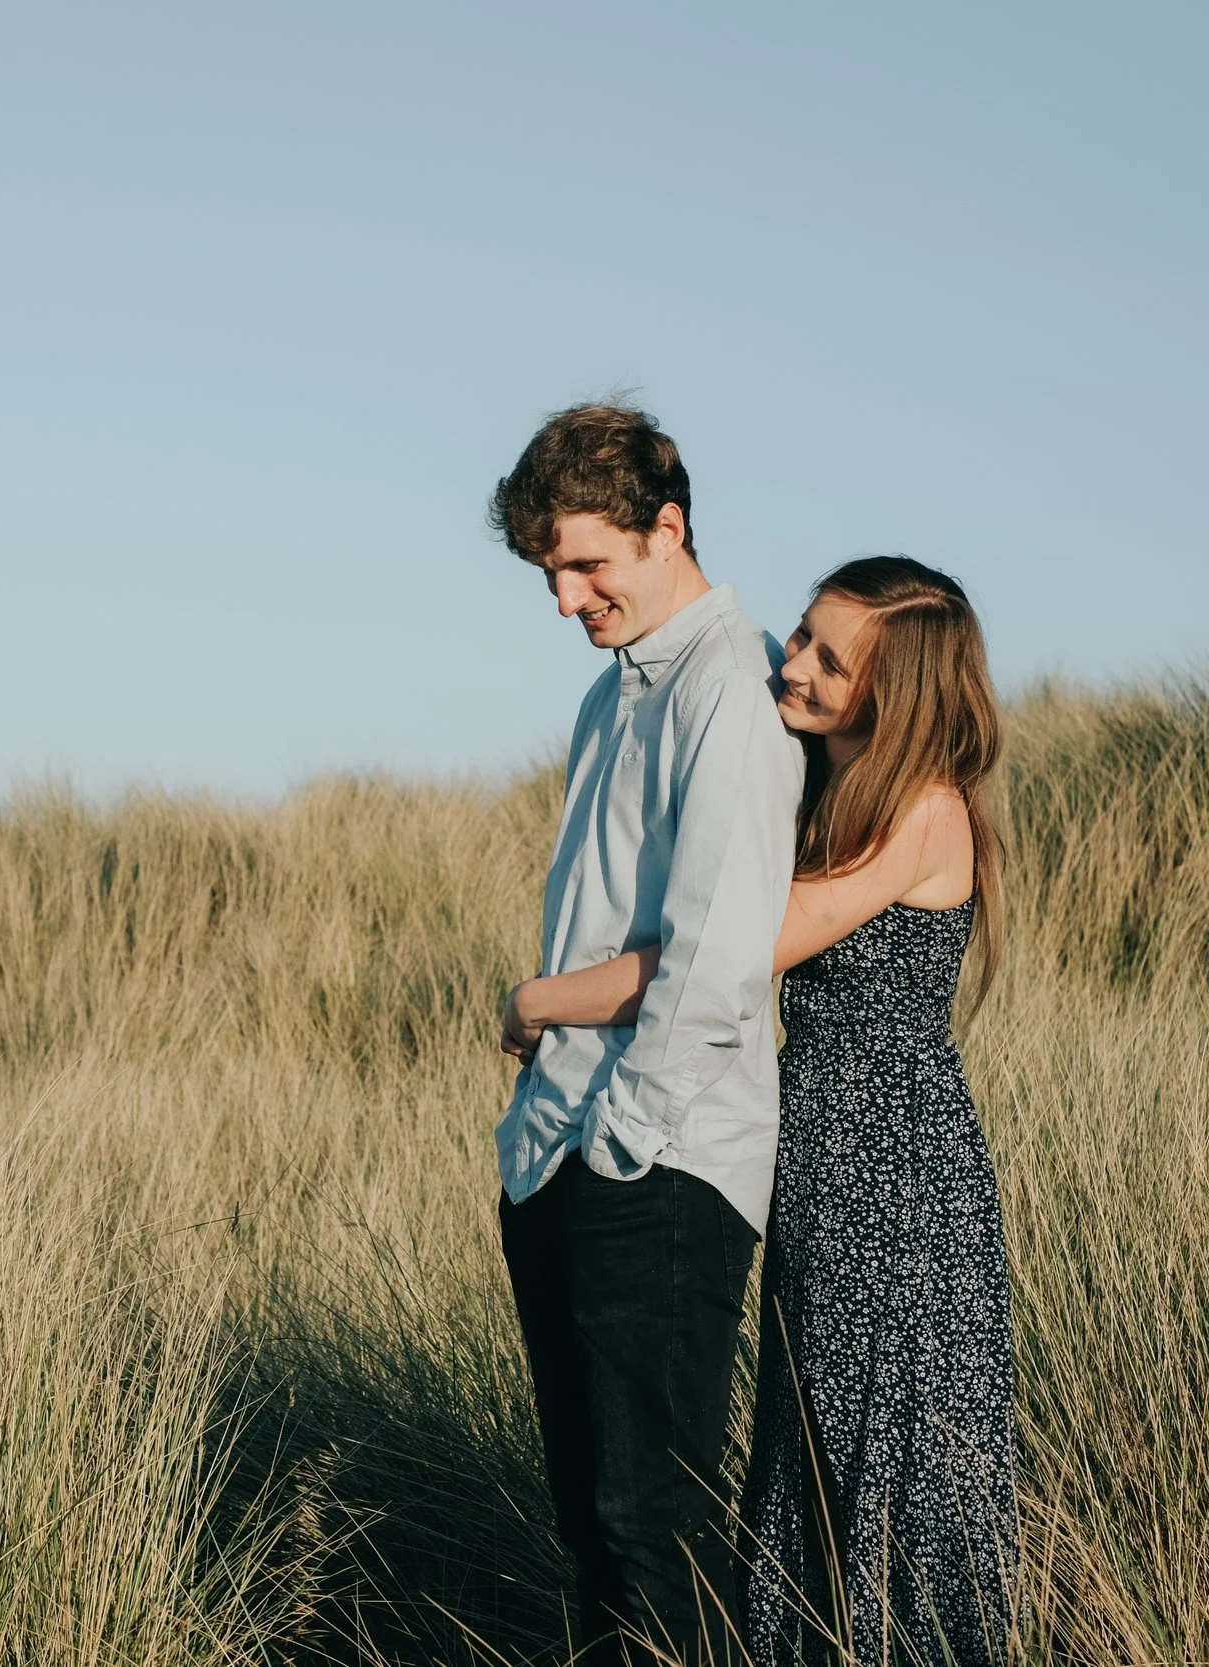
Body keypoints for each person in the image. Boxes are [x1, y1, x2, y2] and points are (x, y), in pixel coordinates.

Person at [488, 404, 803, 1665]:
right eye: (550, 572)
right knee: (594, 1530)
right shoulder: (609, 698)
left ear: (664, 527)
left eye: (584, 565)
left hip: (654, 1167)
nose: (565, 598)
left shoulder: (729, 689)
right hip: (560, 1154)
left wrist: (624, 1140)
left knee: (648, 1530)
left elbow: (714, 962)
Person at [740, 556, 1018, 1666]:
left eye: (827, 658)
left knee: (882, 1442)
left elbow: (751, 944)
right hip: (821, 1150)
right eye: (801, 636)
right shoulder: (834, 790)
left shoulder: (921, 808)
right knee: (814, 1432)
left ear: (892, 695)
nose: (794, 666)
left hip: (891, 1166)